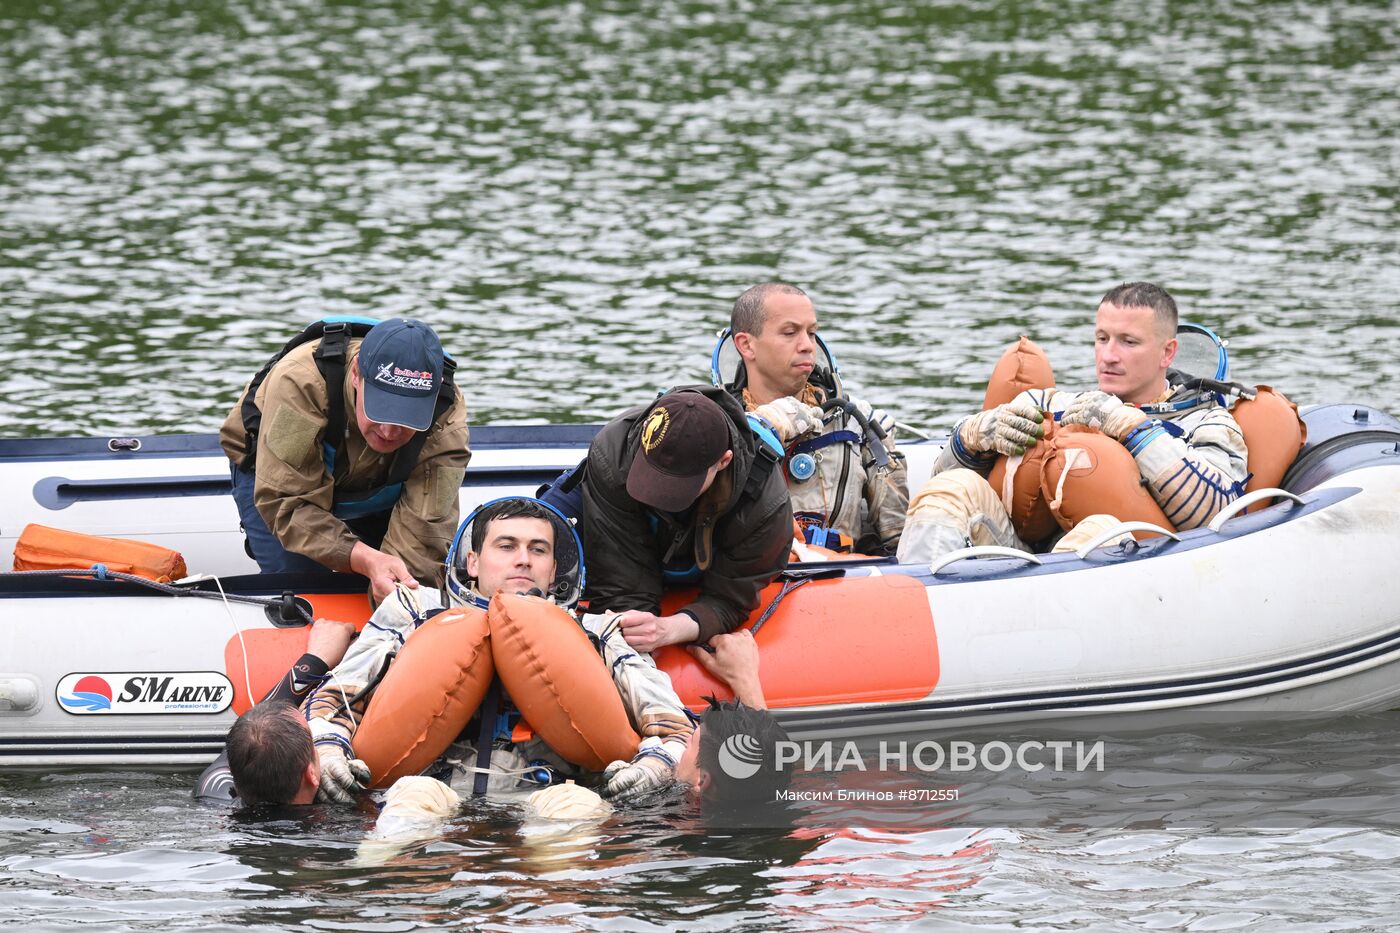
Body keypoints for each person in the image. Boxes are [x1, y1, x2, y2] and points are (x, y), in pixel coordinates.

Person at [299, 497, 700, 804]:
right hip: (426, 794)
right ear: (472, 562)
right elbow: (334, 700)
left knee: (571, 814)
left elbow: (672, 722)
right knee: (409, 811)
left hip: (556, 798)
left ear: (555, 570)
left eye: (538, 550)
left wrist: (655, 766)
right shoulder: (414, 609)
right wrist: (329, 748)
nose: (523, 560)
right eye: (506, 546)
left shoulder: (597, 629)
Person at [899, 282, 1249, 563]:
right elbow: (937, 475)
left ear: (1167, 352)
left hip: (1148, 567)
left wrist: (1130, 427)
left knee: (1100, 530)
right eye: (1102, 339)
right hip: (1020, 553)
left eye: (1128, 342)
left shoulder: (1209, 423)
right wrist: (972, 436)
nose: (1109, 355)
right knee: (952, 488)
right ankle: (916, 608)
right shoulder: (1053, 404)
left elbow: (1217, 518)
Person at [220, 317, 470, 602]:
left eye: (407, 418)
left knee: (402, 583)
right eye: (381, 409)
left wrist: (397, 602)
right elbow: (285, 502)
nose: (389, 431)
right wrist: (364, 558)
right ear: (355, 375)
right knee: (303, 586)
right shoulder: (301, 381)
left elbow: (428, 524)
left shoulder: (446, 413)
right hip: (279, 476)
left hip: (380, 482)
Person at [577, 387, 793, 652]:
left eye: (676, 485)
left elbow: (730, 599)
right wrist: (631, 633)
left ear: (724, 462)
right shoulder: (613, 453)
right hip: (627, 529)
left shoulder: (766, 503)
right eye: (652, 474)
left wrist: (668, 630)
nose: (657, 495)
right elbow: (620, 584)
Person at [722, 283, 909, 556]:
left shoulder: (858, 423)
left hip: (849, 581)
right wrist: (763, 429)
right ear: (746, 345)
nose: (807, 346)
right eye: (790, 333)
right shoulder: (719, 428)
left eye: (811, 333)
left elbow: (900, 542)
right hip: (757, 580)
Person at [198, 618, 357, 804]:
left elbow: (254, 733)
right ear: (312, 774)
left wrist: (316, 660)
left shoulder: (214, 792)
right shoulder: (340, 820)